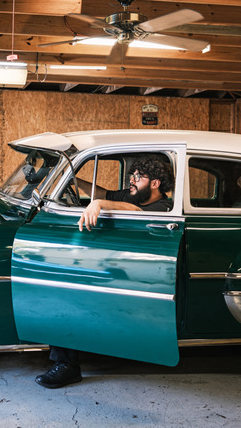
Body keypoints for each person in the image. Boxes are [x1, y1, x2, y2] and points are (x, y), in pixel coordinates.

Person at [35, 156, 174, 389]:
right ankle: (67, 359)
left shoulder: (164, 206)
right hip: (118, 263)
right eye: (132, 174)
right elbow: (104, 193)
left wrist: (98, 205)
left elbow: (133, 210)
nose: (132, 179)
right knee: (63, 288)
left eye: (138, 177)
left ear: (155, 184)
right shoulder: (133, 194)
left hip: (143, 271)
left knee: (70, 295)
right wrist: (72, 179)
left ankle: (67, 365)